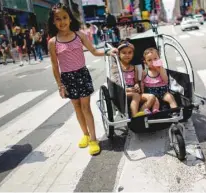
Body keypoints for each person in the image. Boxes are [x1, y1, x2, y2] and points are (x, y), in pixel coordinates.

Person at [47, 3, 117, 155]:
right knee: (77, 107)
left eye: (65, 17)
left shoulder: (80, 35)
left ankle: (93, 139)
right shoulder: (53, 42)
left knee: (86, 107)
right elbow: (54, 66)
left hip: (82, 75)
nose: (62, 21)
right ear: (53, 22)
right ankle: (85, 134)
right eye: (58, 19)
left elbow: (93, 51)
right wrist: (60, 85)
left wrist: (108, 52)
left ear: (70, 19)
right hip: (67, 78)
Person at [117, 40, 158, 117]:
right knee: (136, 95)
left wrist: (136, 85)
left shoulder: (134, 68)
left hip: (134, 92)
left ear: (133, 54)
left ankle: (140, 114)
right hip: (122, 93)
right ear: (119, 54)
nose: (127, 55)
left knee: (152, 97)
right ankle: (135, 116)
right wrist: (128, 89)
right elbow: (117, 86)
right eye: (124, 53)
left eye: (130, 52)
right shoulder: (116, 68)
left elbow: (135, 82)